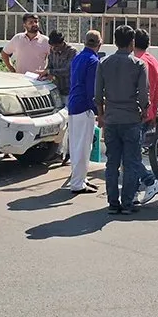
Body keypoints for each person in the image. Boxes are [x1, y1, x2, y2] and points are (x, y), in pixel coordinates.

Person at [95, 25, 149, 215]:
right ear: (132, 42)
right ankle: (127, 203)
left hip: (111, 119)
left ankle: (112, 202)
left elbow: (97, 93)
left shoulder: (104, 63)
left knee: (112, 162)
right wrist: (144, 110)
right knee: (131, 162)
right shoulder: (138, 65)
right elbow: (143, 95)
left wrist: (101, 115)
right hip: (131, 119)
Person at [65, 29, 102, 194]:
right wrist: (98, 109)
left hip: (74, 104)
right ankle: (78, 183)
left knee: (76, 145)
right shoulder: (93, 61)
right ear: (99, 44)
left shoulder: (78, 57)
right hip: (84, 107)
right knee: (83, 146)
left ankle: (80, 178)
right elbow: (91, 89)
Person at [131, 28, 158, 202]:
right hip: (149, 113)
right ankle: (134, 191)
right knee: (134, 153)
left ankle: (149, 181)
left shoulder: (137, 62)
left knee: (130, 155)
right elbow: (157, 89)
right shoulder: (154, 61)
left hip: (137, 114)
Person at [40, 30, 78, 165]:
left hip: (69, 91)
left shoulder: (72, 52)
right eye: (52, 47)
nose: (54, 49)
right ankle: (57, 153)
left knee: (69, 124)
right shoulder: (52, 52)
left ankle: (68, 154)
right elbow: (49, 67)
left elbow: (68, 71)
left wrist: (50, 72)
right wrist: (44, 73)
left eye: (56, 46)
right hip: (57, 91)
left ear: (62, 43)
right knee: (59, 124)